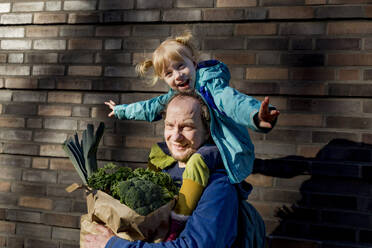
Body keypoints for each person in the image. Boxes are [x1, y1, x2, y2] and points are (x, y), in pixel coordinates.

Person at [105, 31, 279, 239]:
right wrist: (121, 110)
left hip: (221, 149)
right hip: (202, 147)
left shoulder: (213, 87)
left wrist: (255, 115)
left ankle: (179, 223)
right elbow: (149, 107)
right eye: (169, 73)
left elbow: (233, 103)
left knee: (197, 161)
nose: (177, 75)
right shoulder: (175, 95)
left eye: (181, 66)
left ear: (194, 63)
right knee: (158, 154)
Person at [86, 92, 260, 248]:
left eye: (187, 127)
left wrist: (113, 245)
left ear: (207, 131)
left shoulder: (219, 187)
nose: (176, 136)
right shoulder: (161, 173)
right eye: (170, 125)